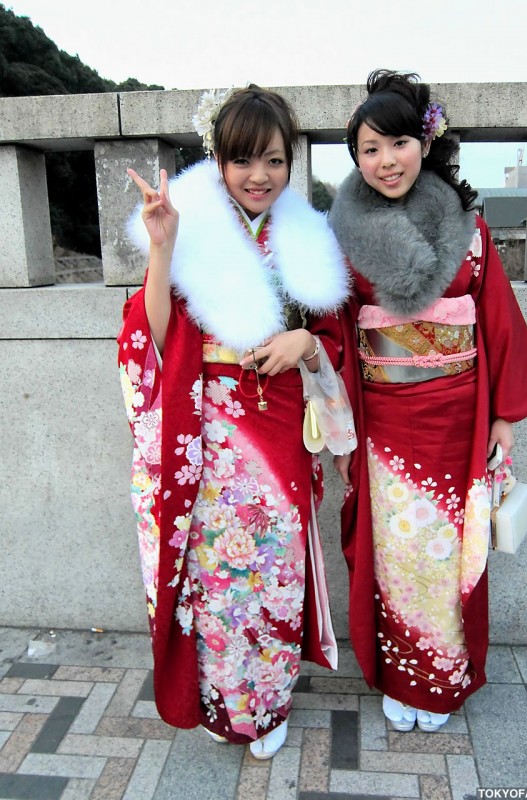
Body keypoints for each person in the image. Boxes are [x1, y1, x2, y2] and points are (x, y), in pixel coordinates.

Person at [117, 84, 353, 759]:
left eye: (275, 161)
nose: (260, 176)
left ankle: (269, 705)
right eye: (245, 160)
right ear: (218, 160)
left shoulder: (307, 237)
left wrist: (305, 344)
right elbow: (152, 340)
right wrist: (163, 250)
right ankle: (225, 704)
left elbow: (335, 338)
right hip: (210, 434)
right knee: (219, 579)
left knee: (275, 572)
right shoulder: (198, 236)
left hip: (278, 422)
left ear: (291, 163)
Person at [328, 70, 527, 733]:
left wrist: (505, 414)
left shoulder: (470, 230)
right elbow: (337, 338)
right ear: (356, 160)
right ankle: (403, 677)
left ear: (425, 144)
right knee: (397, 554)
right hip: (384, 422)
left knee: (452, 553)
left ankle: (444, 678)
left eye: (397, 142)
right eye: (369, 149)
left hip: (458, 417)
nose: (385, 160)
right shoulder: (343, 238)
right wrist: (342, 430)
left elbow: (498, 324)